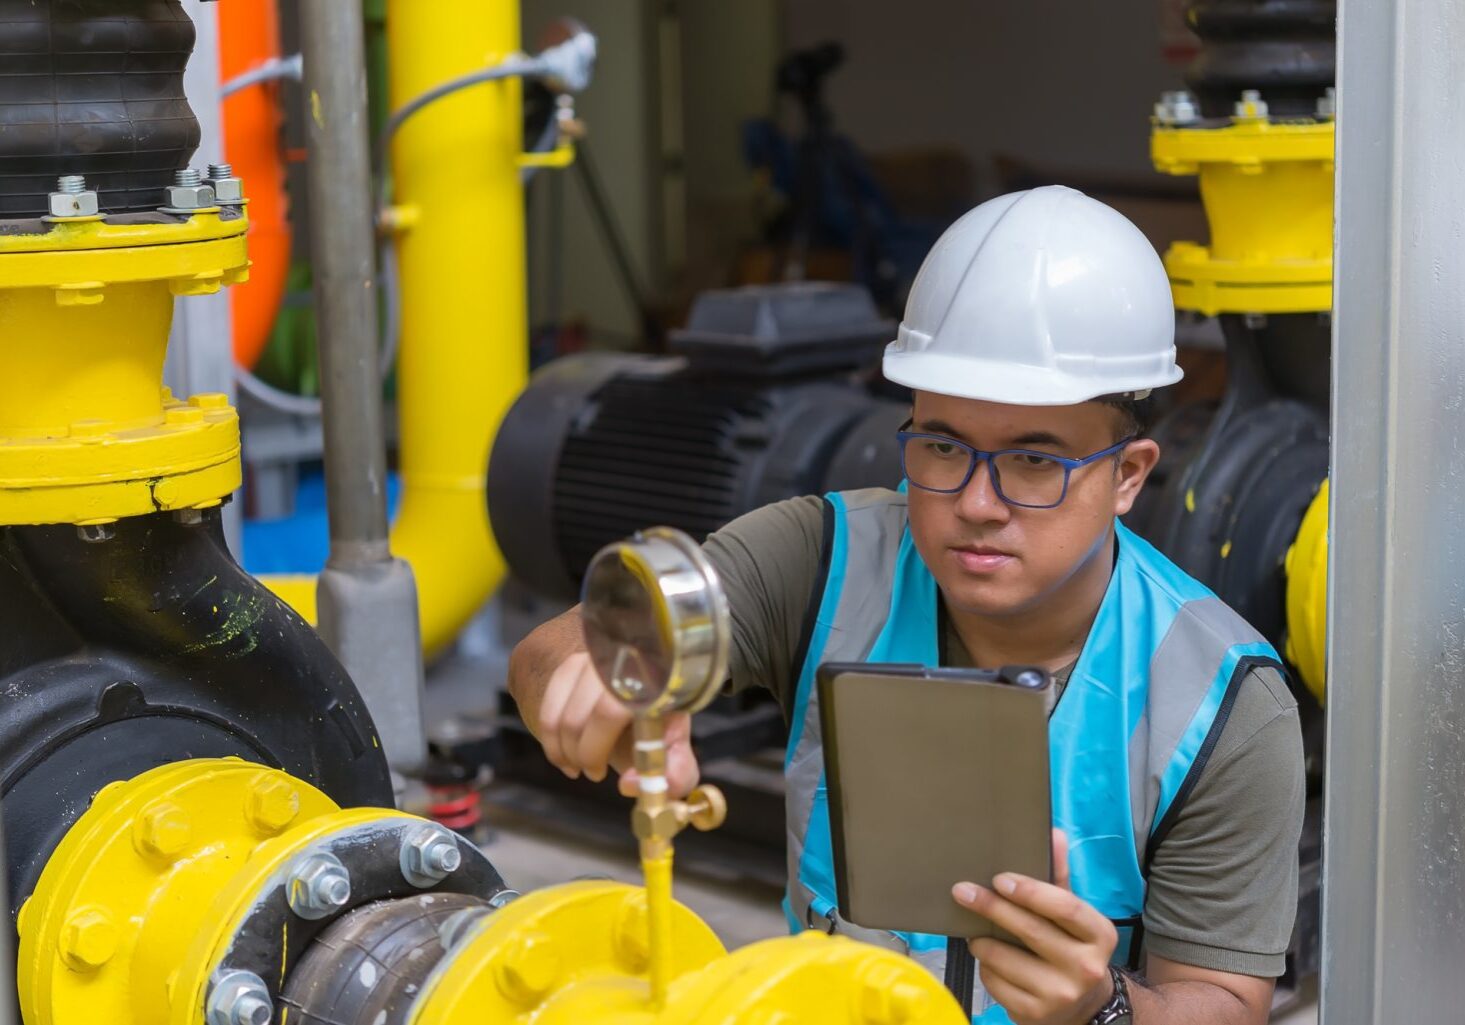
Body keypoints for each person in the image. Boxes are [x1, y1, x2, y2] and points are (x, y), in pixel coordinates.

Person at [508, 185, 1305, 1025]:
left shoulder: (1220, 700)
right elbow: (551, 651)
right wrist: (608, 672)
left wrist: (1099, 1006)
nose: (976, 501)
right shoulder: (820, 559)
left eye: (1034, 461)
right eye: (941, 445)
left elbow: (1223, 1005)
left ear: (1127, 476)